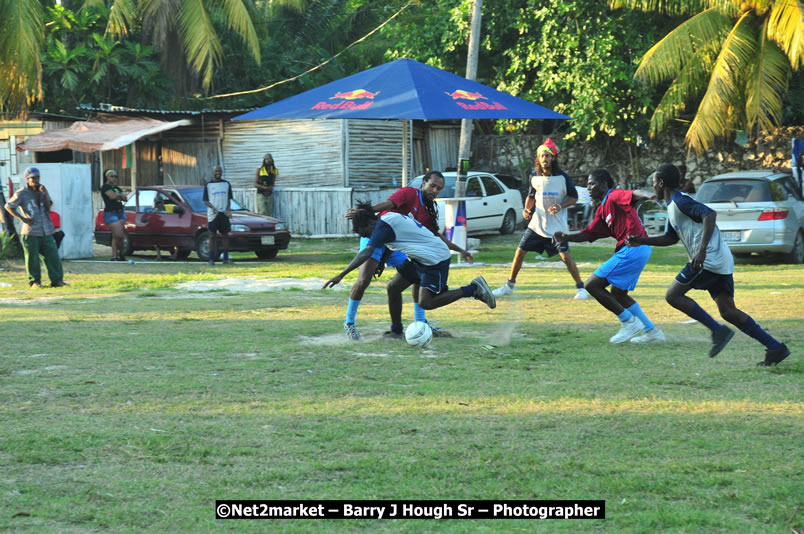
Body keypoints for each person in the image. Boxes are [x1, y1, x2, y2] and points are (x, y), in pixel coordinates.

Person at [626, 164, 790, 366]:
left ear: (661, 183)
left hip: (707, 259)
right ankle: (775, 347)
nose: (653, 188)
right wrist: (641, 240)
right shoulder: (673, 206)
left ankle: (718, 331)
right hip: (719, 259)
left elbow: (709, 214)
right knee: (729, 311)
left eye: (653, 184)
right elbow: (670, 238)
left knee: (673, 296)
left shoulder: (681, 201)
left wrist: (702, 249)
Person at [343, 171, 473, 340]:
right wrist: (364, 212)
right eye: (432, 185)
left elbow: (435, 235)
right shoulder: (410, 193)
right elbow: (387, 204)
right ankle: (349, 323)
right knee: (364, 279)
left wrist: (460, 250)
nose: (434, 190)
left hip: (396, 245)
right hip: (376, 237)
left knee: (416, 277)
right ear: (424, 183)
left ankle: (420, 325)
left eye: (439, 189)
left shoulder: (427, 212)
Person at [323, 206, 496, 320]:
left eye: (365, 233)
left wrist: (341, 274)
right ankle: (396, 330)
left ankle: (473, 289)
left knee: (426, 302)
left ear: (370, 223)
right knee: (393, 288)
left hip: (434, 260)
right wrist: (382, 261)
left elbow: (367, 252)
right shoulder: (387, 219)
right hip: (419, 259)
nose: (368, 236)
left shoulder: (382, 227)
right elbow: (395, 241)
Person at [553, 168, 664, 344]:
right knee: (619, 294)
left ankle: (629, 322)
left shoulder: (613, 196)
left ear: (604, 185)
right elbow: (588, 234)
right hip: (639, 249)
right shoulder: (603, 209)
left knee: (592, 285)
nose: (588, 188)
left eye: (592, 184)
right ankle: (652, 331)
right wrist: (565, 236)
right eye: (587, 184)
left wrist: (648, 195)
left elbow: (633, 194)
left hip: (633, 248)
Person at [493, 138, 587, 300]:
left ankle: (581, 288)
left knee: (565, 257)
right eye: (542, 156)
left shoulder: (563, 178)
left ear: (553, 158)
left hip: (557, 227)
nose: (545, 159)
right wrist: (527, 209)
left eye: (548, 156)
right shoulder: (533, 177)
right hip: (537, 225)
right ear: (538, 158)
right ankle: (509, 285)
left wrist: (560, 206)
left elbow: (574, 197)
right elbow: (531, 197)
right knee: (519, 252)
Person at [4, 167, 66, 288]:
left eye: (37, 177)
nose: (36, 180)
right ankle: (35, 282)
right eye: (33, 178)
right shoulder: (21, 193)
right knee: (32, 259)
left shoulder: (43, 190)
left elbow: (48, 208)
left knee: (53, 256)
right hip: (31, 231)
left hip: (47, 230)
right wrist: (22, 218)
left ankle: (57, 281)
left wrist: (44, 194)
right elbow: (8, 206)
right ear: (27, 179)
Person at [203, 165, 233, 265]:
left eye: (219, 171)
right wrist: (212, 207)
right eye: (216, 171)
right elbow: (205, 200)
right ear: (213, 172)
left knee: (225, 235)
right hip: (213, 214)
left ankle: (225, 258)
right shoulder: (208, 185)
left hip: (223, 213)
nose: (218, 173)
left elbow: (229, 199)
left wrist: (228, 210)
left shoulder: (226, 184)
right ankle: (211, 259)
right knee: (212, 236)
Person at [100, 169, 129, 261]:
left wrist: (118, 195)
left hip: (121, 212)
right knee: (120, 235)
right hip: (111, 213)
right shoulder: (105, 187)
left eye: (115, 176)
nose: (114, 178)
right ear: (107, 177)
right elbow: (112, 196)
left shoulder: (117, 188)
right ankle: (122, 254)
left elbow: (125, 198)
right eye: (112, 176)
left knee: (116, 236)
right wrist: (119, 195)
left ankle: (114, 255)